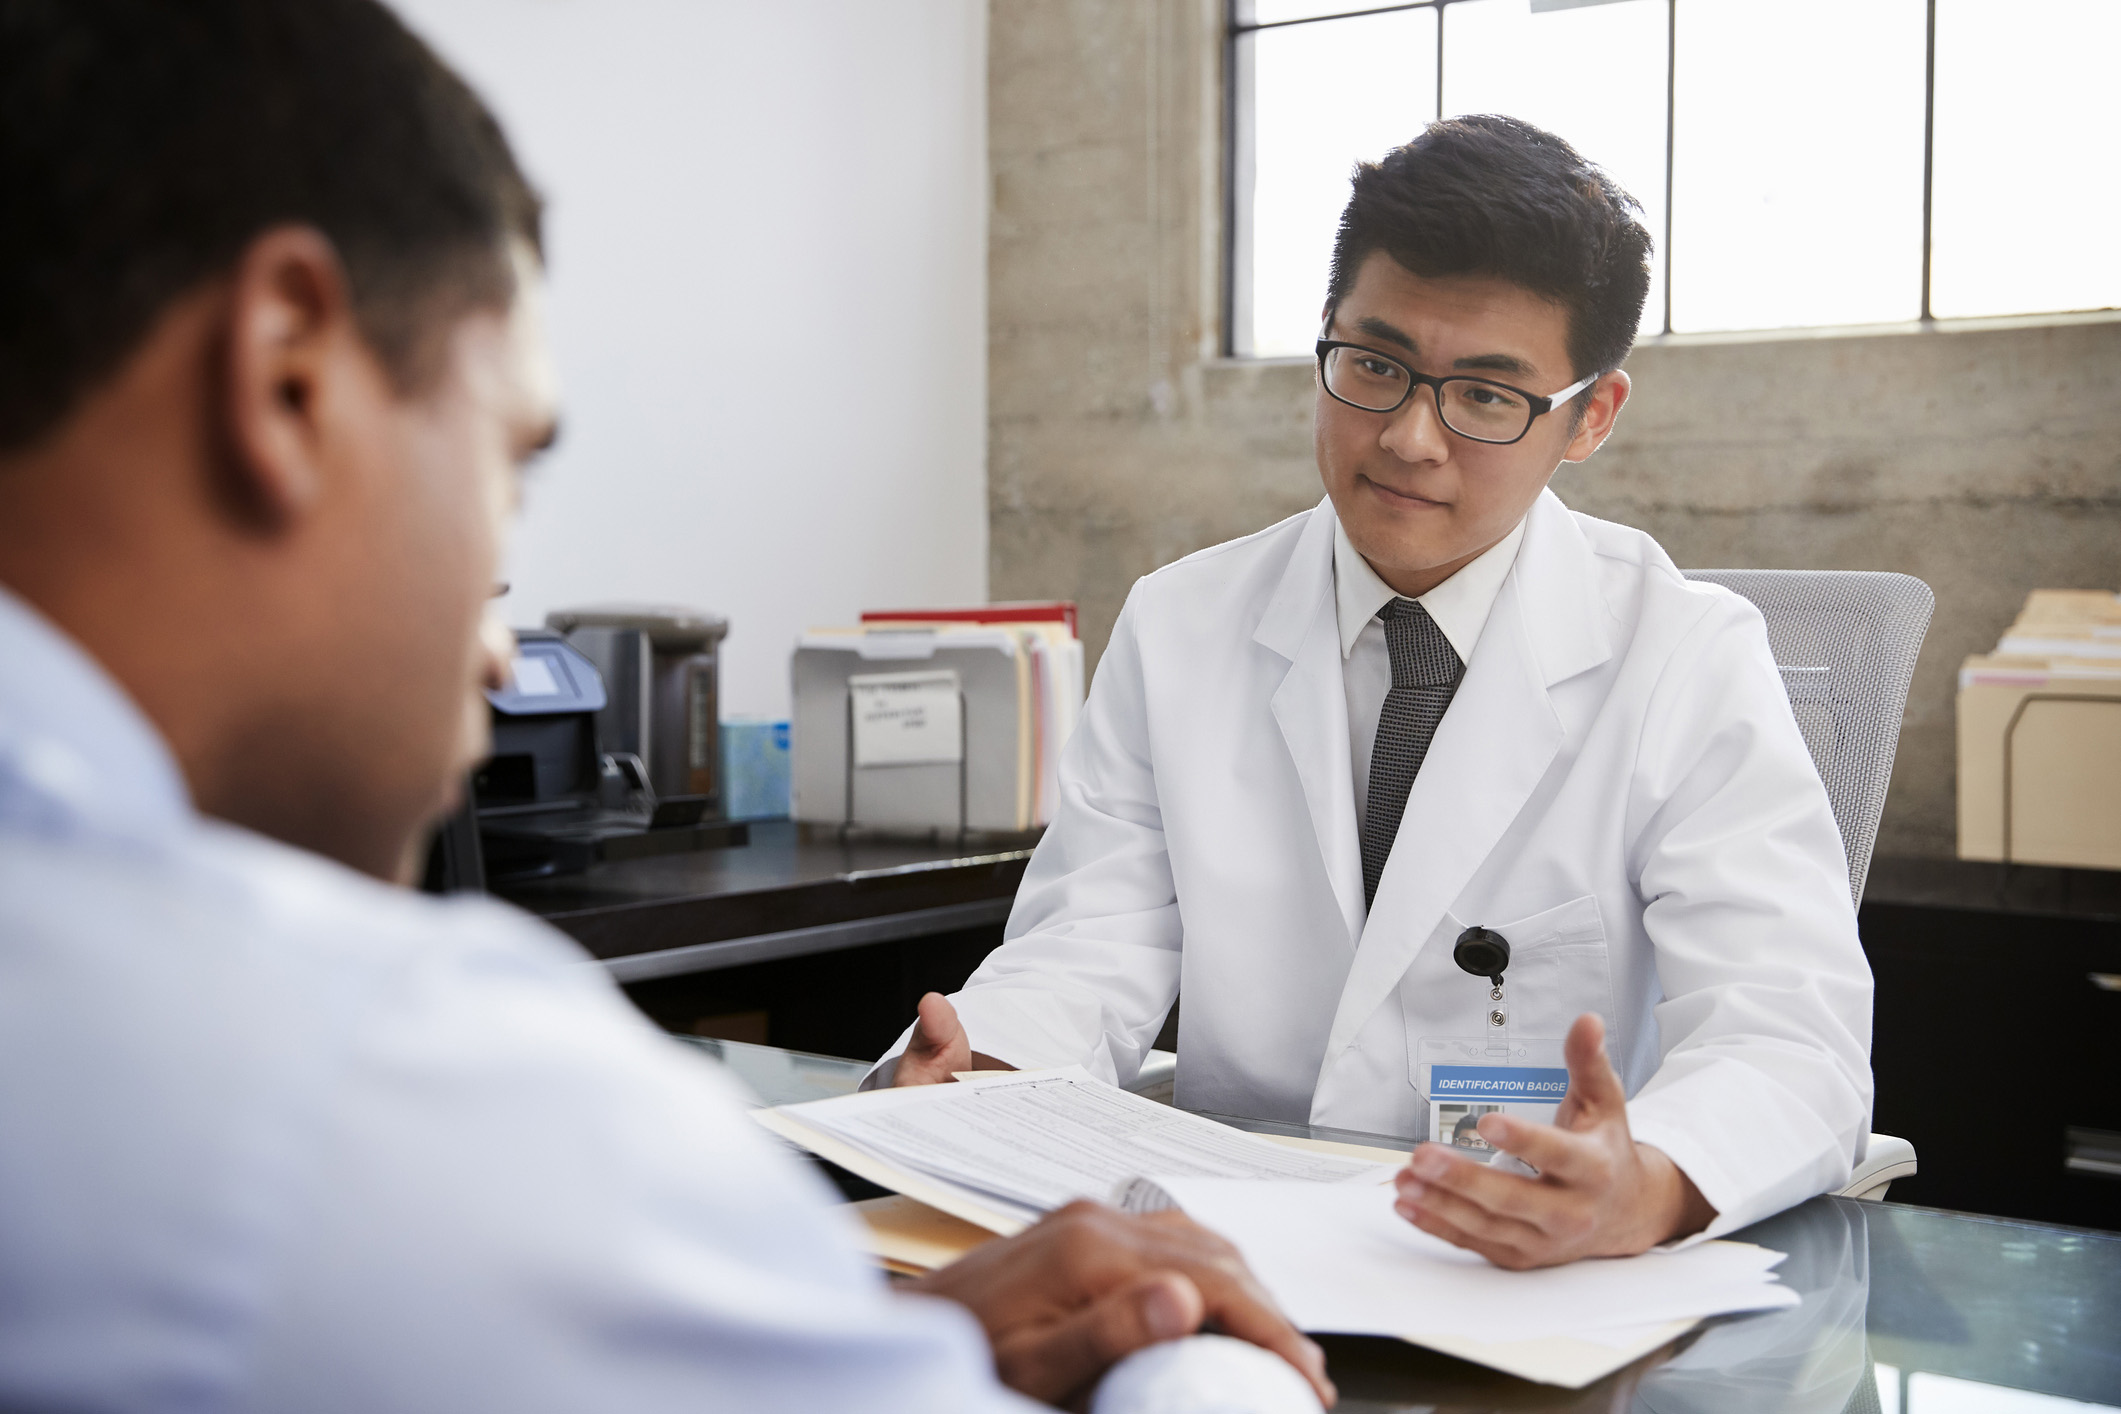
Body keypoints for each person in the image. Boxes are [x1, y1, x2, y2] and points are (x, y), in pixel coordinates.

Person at [0, 2, 1335, 1409]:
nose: (504, 658)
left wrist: (843, 1337)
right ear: (286, 379)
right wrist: (1198, 1336)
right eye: (507, 465)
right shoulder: (356, 1071)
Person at [878, 117, 1874, 1270]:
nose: (1407, 437)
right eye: (1375, 365)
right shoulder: (1182, 622)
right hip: (1224, 1251)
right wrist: (980, 1066)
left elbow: (1792, 1039)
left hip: (1529, 1276)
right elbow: (1086, 951)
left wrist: (1647, 1183)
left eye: (1489, 398)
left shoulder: (1686, 656)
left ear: (1590, 418)